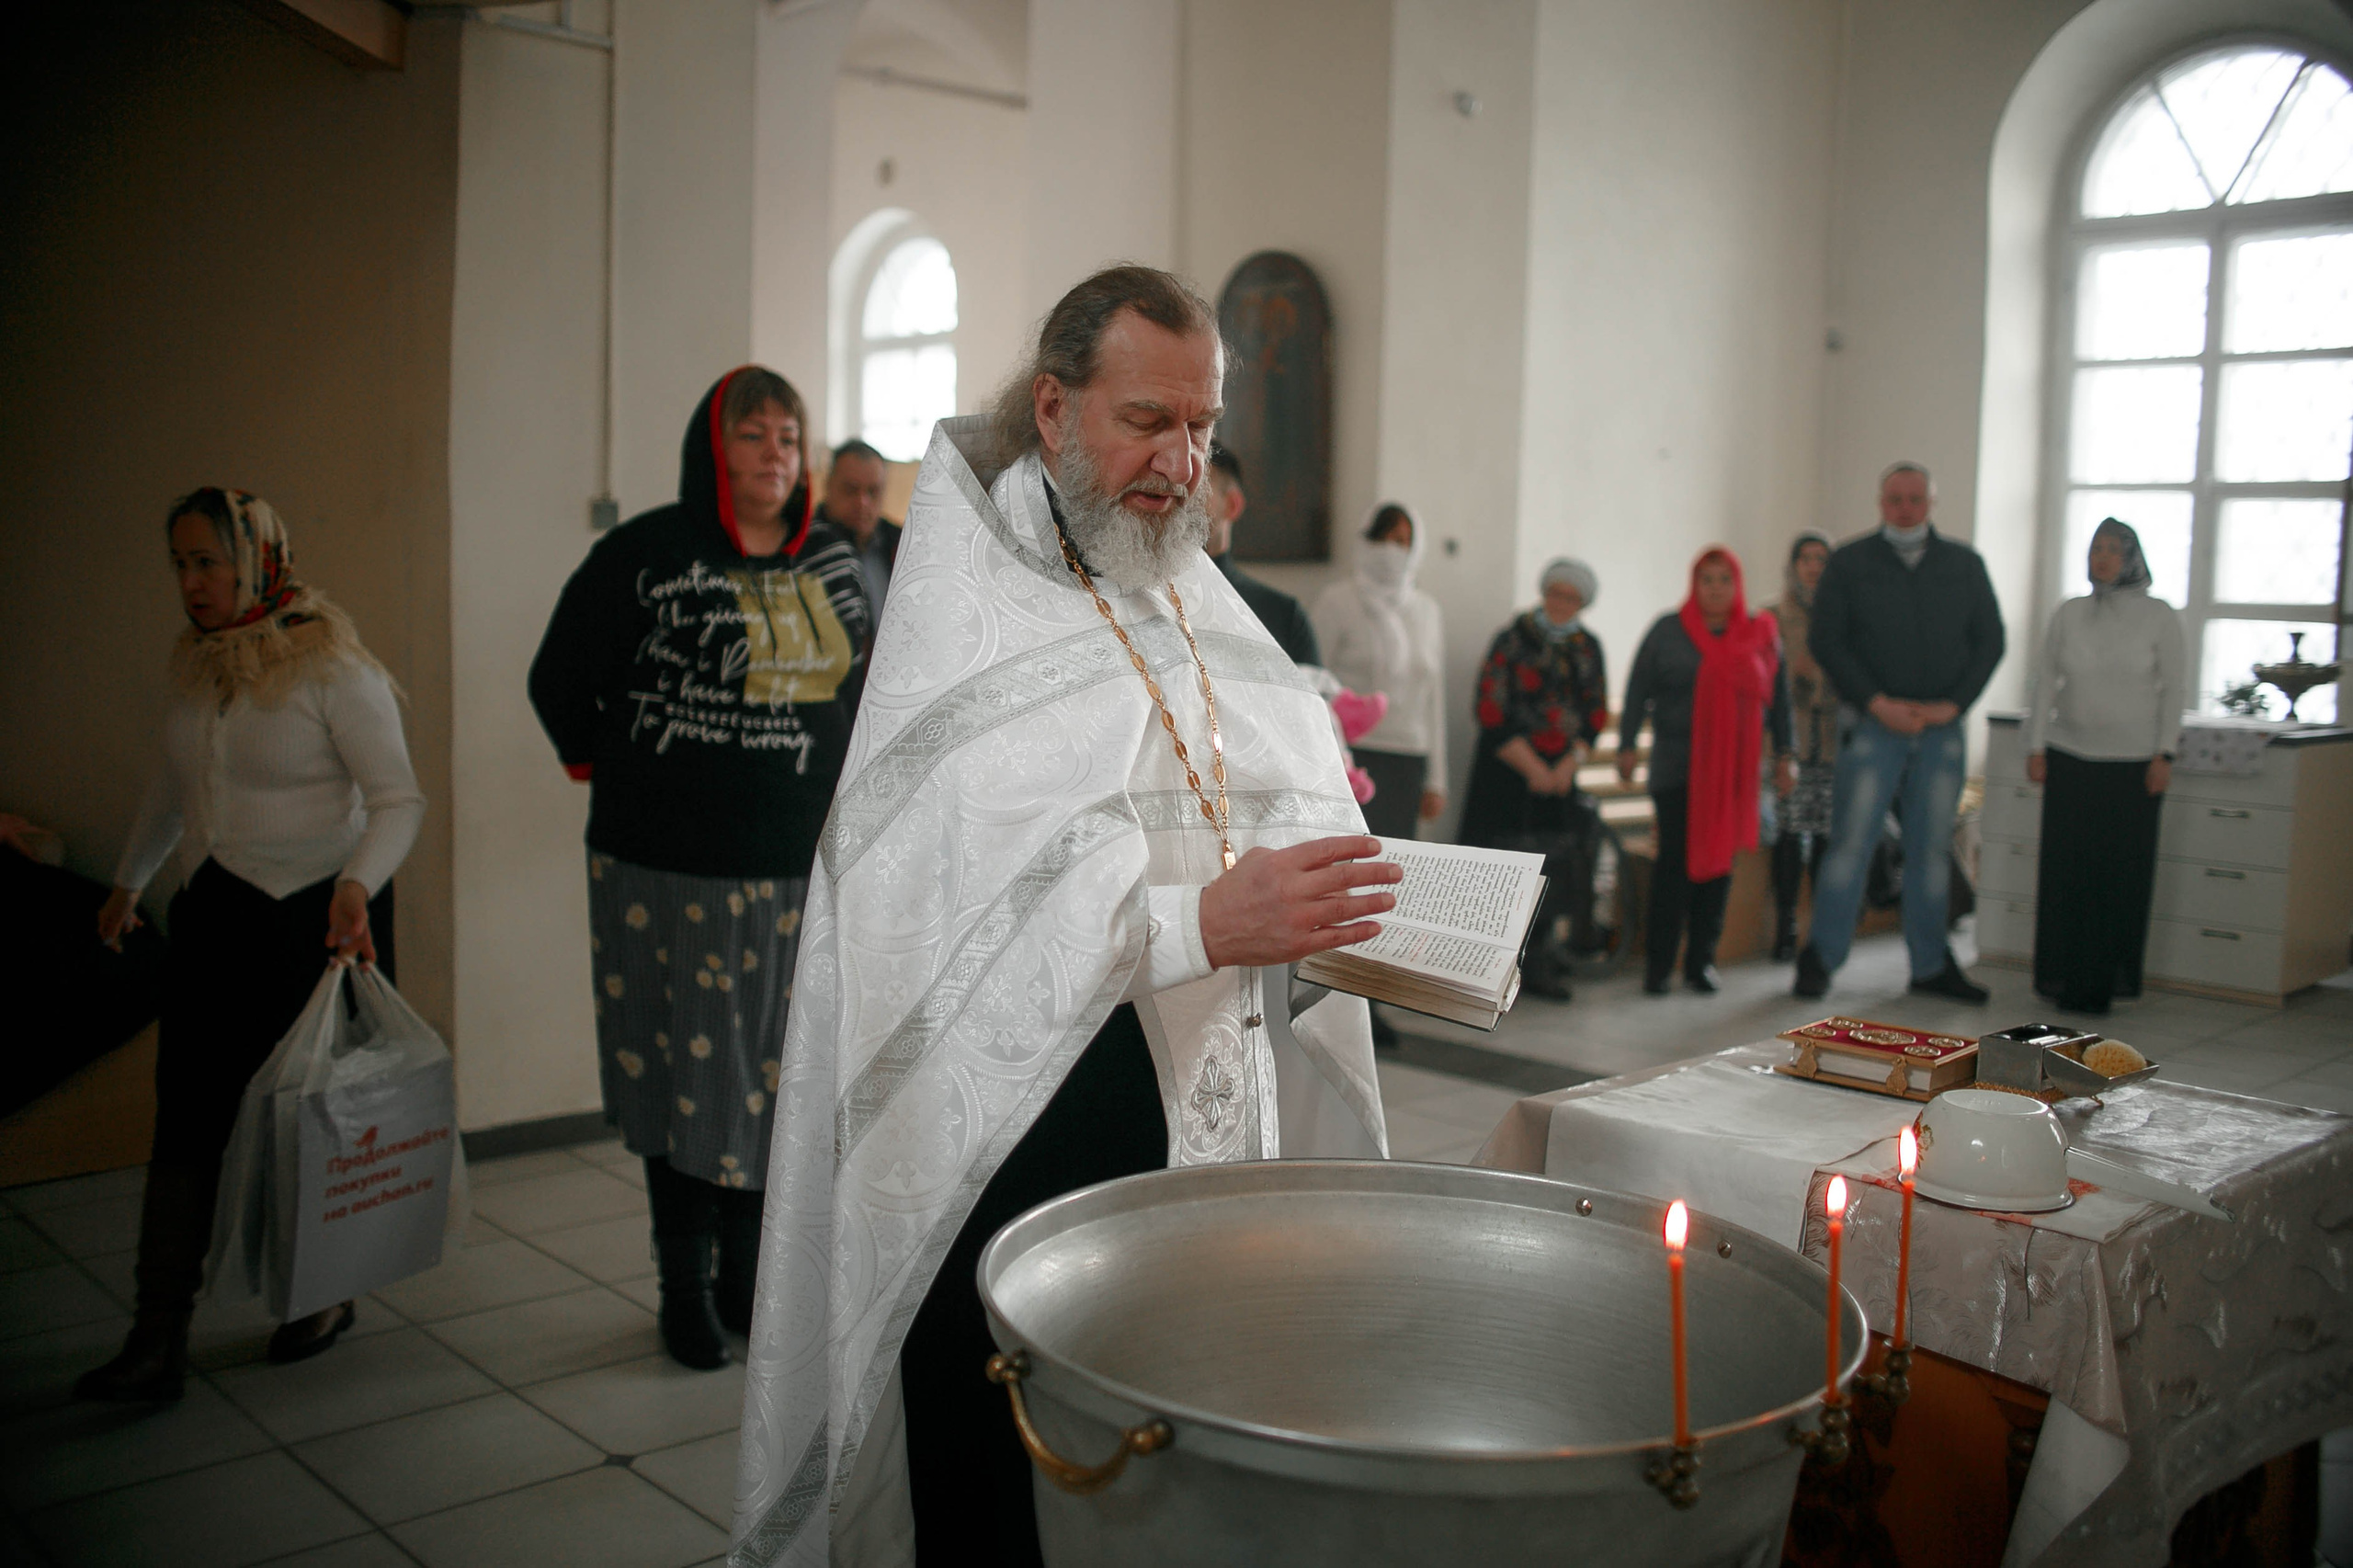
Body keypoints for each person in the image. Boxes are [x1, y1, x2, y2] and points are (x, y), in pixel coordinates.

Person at [731, 266, 1394, 1568]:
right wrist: (1205, 913)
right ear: (1051, 409)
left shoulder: (1183, 581)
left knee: (1160, 1436)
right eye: (1148, 419)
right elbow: (955, 894)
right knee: (1008, 1447)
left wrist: (1304, 816)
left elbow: (1220, 773)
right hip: (1016, 1115)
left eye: (1200, 427)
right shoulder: (966, 620)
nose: (1181, 460)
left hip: (1186, 1088)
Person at [529, 367, 871, 1371]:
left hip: (794, 874)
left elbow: (869, 695)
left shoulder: (838, 561)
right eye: (753, 434)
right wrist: (618, 767)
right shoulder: (642, 554)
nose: (775, 453)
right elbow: (559, 677)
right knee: (675, 1072)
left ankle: (742, 1277)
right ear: (712, 449)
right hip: (661, 869)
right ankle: (681, 1283)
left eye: (788, 436)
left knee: (774, 1081)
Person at [78, 488, 423, 1403]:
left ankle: (321, 1295)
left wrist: (357, 884)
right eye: (182, 564)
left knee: (304, 1123)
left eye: (210, 561)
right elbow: (174, 780)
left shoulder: (330, 666)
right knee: (186, 1120)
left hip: (315, 921)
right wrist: (127, 879)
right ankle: (157, 1337)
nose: (193, 583)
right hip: (215, 918)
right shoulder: (200, 666)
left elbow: (398, 799)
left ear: (259, 556)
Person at [1795, 461, 2005, 1002]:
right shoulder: (1851, 562)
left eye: (1915, 498)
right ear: (1880, 502)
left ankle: (1931, 965)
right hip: (1872, 725)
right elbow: (1827, 640)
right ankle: (1820, 958)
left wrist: (1951, 705)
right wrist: (1875, 702)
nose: (1905, 508)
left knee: (1931, 849)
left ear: (1931, 503)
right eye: (1895, 499)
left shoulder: (1963, 564)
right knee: (1851, 845)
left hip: (1940, 729)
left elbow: (1990, 640)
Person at [2024, 518, 2184, 1014]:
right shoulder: (2069, 613)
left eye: (2114, 549)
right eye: (2096, 548)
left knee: (2117, 876)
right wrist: (2036, 745)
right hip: (2071, 758)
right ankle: (2061, 978)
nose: (2103, 557)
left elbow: (2174, 689)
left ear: (2132, 557)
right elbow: (2046, 680)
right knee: (2066, 872)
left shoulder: (2159, 616)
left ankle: (2105, 982)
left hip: (2133, 765)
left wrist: (2165, 753)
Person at [1619, 549, 1794, 994]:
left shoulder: (1759, 633)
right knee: (1674, 866)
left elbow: (1780, 698)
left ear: (1737, 586)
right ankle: (1659, 967)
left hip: (1734, 774)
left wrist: (1785, 755)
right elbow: (1638, 688)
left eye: (1724, 580)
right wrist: (1626, 745)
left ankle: (1701, 962)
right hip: (1677, 768)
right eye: (1707, 579)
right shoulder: (1668, 630)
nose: (1715, 588)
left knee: (1718, 868)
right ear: (1694, 585)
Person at [1458, 557, 1611, 999]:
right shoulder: (1512, 639)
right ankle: (1488, 965)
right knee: (1499, 872)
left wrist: (1564, 767)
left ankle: (1539, 960)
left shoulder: (1588, 647)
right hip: (1506, 775)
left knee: (1550, 873)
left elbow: (1593, 713)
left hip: (1558, 781)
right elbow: (1490, 708)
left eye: (1572, 597)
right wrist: (1534, 769)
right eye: (1556, 593)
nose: (1562, 603)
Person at [1311, 504, 1447, 839]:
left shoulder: (1427, 611)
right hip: (1347, 758)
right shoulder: (1337, 602)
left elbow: (1434, 698)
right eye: (1382, 538)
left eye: (1402, 541)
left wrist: (1436, 780)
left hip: (1408, 760)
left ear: (1416, 550)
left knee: (1397, 866)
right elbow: (1310, 682)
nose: (1391, 551)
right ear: (1365, 541)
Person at [1763, 531, 1837, 960]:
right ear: (1792, 565)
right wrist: (1797, 674)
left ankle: (1821, 926)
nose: (1813, 567)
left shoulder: (1841, 615)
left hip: (1828, 743)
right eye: (1805, 558)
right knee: (1789, 833)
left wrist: (1822, 678)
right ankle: (1785, 924)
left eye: (1821, 559)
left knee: (1826, 836)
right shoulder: (1772, 617)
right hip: (1785, 743)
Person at [1204, 443, 1319, 667]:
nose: (1180, 501)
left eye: (1196, 489)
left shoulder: (1283, 616)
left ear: (1233, 505)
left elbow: (1315, 699)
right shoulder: (1141, 604)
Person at [819, 437, 900, 625]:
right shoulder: (801, 548)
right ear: (828, 486)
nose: (862, 502)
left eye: (873, 492)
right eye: (851, 490)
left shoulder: (904, 546)